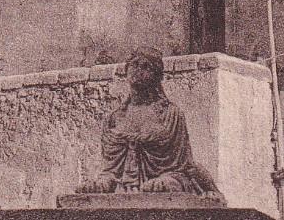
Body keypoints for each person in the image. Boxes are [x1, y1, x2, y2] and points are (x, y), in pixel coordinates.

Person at [78, 49, 222, 196]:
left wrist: (168, 178)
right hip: (124, 186)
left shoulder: (171, 114)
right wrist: (103, 183)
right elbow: (112, 171)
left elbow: (181, 166)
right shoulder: (113, 119)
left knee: (176, 180)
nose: (138, 70)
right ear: (126, 70)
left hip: (170, 175)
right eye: (134, 64)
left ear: (157, 76)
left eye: (146, 66)